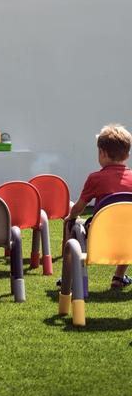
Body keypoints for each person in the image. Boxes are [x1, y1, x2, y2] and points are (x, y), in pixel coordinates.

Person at [65, 124, 132, 289]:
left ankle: (69, 276)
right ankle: (118, 277)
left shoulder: (95, 178)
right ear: (127, 154)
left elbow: (79, 207)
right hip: (128, 234)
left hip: (101, 233)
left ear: (102, 153)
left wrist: (71, 217)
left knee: (71, 224)